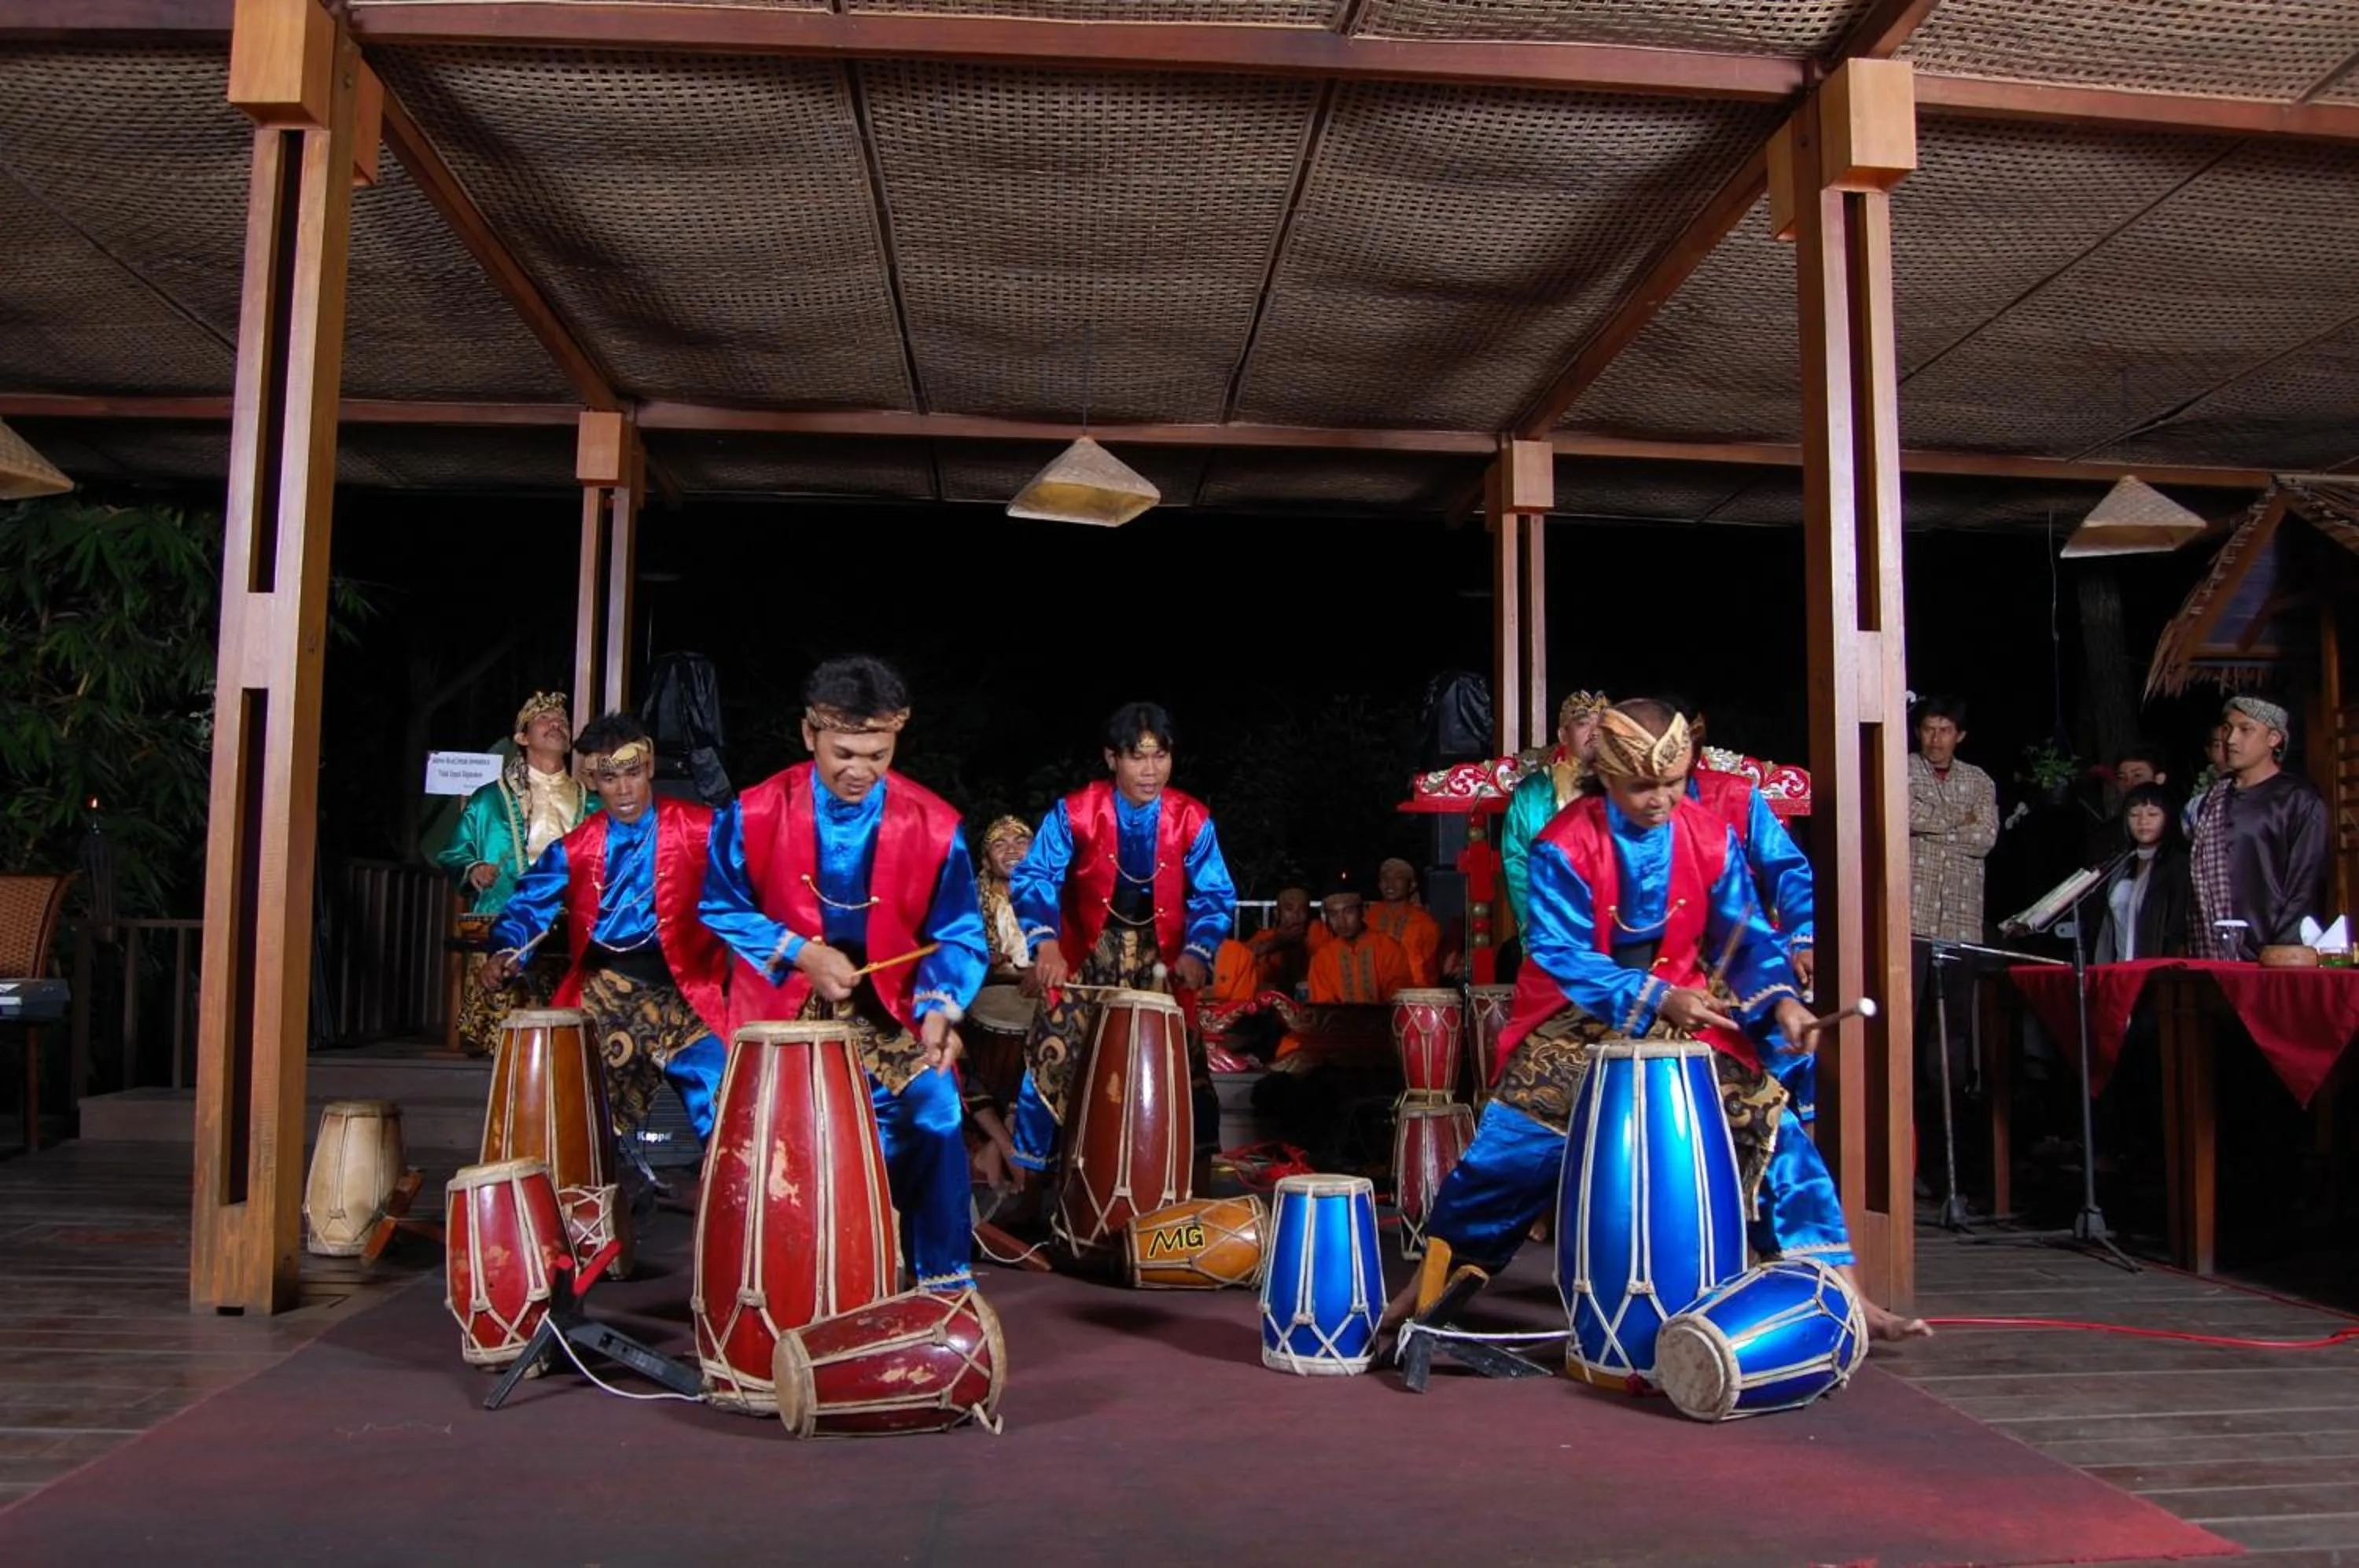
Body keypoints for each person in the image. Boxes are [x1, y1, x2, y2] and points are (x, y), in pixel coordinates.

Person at [1396, 699, 1926, 1343]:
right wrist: (1653, 997)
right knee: (1509, 1149)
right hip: (1581, 1016)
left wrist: (1780, 1000)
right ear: (1606, 777)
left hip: (1686, 1011)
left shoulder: (1707, 833)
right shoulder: (1563, 843)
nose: (1660, 800)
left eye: (1672, 784)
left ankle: (1838, 1290)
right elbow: (1560, 953)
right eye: (1643, 786)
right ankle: (1430, 1288)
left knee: (1772, 1122)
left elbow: (1746, 934)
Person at [697, 656, 990, 1294]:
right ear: (810, 735)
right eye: (845, 752)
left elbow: (961, 935)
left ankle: (942, 1285)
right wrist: (799, 950)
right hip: (780, 1013)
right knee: (746, 1131)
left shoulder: (934, 825)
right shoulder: (753, 811)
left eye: (878, 755)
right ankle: (766, 1283)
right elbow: (718, 906)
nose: (860, 771)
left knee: (937, 1112)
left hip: (887, 1011)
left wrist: (942, 1005)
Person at [1006, 702, 1237, 1180]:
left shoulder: (1191, 819)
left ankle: (1184, 1179)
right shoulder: (1076, 812)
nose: (1151, 771)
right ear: (1111, 758)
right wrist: (1045, 943)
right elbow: (1035, 877)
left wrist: (1198, 950)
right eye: (1137, 757)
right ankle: (1032, 1185)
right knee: (1055, 1052)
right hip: (1086, 951)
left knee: (1183, 1059)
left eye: (1161, 757)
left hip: (1163, 954)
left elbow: (1215, 894)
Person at [480, 712, 727, 1140]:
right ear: (593, 781)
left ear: (648, 768)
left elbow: (753, 885)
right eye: (610, 779)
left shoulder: (701, 828)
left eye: (633, 773)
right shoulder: (576, 848)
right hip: (608, 993)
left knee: (729, 1094)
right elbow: (526, 907)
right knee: (570, 1108)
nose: (624, 789)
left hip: (689, 991)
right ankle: (597, 1190)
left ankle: (735, 1197)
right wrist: (506, 950)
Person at [439, 690, 600, 1053]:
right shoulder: (489, 799)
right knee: (507, 1048)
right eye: (544, 718)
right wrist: (473, 867)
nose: (556, 723)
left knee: (569, 1046)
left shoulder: (591, 801)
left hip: (570, 925)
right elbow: (454, 849)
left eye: (562, 719)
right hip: (507, 923)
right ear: (522, 737)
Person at [1907, 694, 1997, 1192]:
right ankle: (1911, 1159)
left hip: (1961, 923)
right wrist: (1952, 825)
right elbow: (1900, 818)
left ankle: (1954, 1165)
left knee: (1953, 1038)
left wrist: (1929, 826)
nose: (1936, 738)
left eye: (1945, 730)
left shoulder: (1979, 780)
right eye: (1928, 729)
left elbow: (1984, 837)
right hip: (1912, 922)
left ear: (1960, 735)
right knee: (1908, 1033)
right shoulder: (1900, 771)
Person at [2190, 695, 2329, 959]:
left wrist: (2281, 951)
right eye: (2228, 728)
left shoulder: (2298, 799)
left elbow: (2305, 884)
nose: (2231, 740)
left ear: (2274, 739)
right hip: (2213, 953)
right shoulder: (2214, 799)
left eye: (2246, 730)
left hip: (2270, 954)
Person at [1501, 690, 1609, 933]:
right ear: (1563, 735)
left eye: (1603, 724)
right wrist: (1538, 923)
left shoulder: (1627, 785)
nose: (1595, 732)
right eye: (1583, 724)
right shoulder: (1535, 792)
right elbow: (1517, 861)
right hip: (1556, 918)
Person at [2092, 782, 2192, 965]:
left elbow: (2179, 931)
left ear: (2168, 818)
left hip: (2157, 972)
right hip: (2118, 969)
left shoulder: (2180, 865)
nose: (2143, 821)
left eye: (2153, 814)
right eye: (2134, 814)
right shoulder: (2121, 865)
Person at [1305, 876, 1414, 1004]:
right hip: (1338, 1024)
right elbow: (1323, 1008)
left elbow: (1398, 1000)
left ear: (1363, 911)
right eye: (1333, 914)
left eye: (1348, 912)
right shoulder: (1322, 959)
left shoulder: (1389, 948)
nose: (1341, 922)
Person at [1367, 858, 1450, 986]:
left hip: (1413, 993)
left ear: (1411, 885)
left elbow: (1432, 970)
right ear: (1379, 884)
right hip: (1374, 993)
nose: (1390, 884)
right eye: (1385, 879)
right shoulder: (1369, 916)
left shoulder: (1424, 922)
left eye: (1398, 878)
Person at [976, 815, 1035, 980]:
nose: (1011, 850)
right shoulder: (969, 908)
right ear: (987, 862)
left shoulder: (1061, 899)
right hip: (993, 993)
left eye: (1021, 842)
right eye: (999, 844)